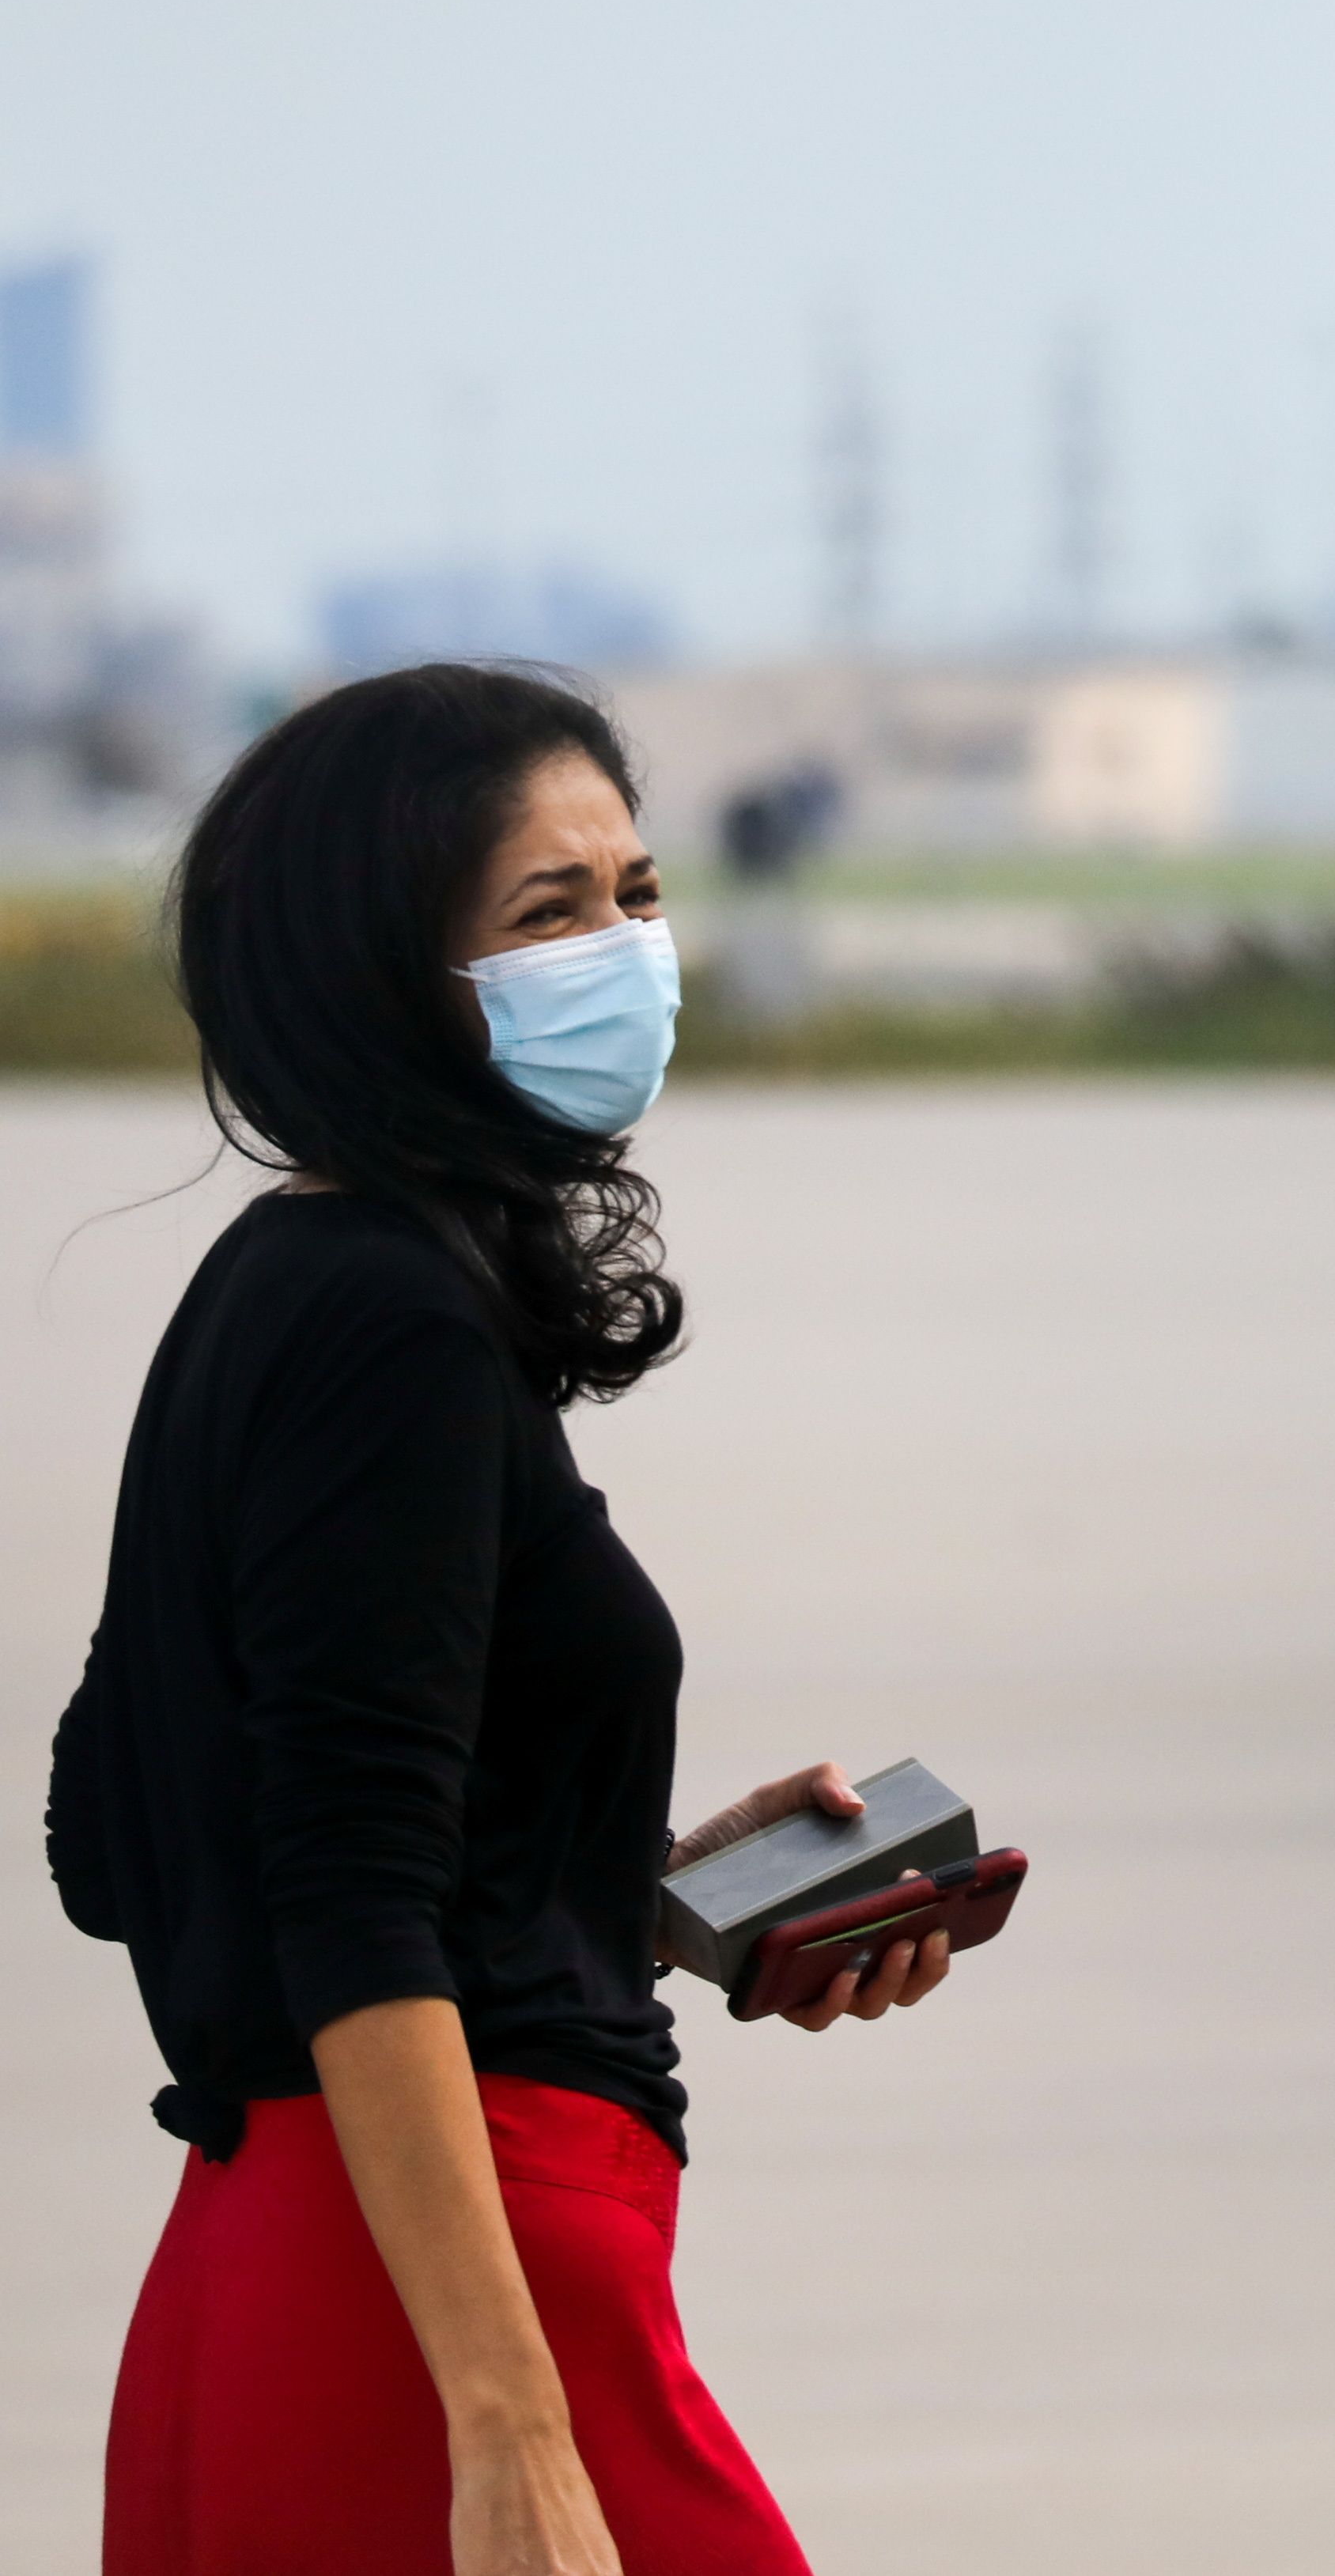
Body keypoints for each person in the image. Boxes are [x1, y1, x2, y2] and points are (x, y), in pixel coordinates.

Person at [47, 663, 960, 2576]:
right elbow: (342, 1884)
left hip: (274, 2260)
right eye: (547, 912)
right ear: (375, 973)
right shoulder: (389, 1325)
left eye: (633, 894)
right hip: (453, 2282)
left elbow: (130, 1836)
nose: (625, 951)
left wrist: (623, 1894)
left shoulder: (287, 1285)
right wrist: (511, 2421)